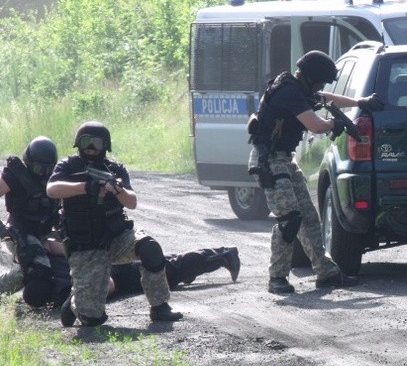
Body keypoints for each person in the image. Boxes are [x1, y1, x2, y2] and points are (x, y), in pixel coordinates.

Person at [248, 50, 384, 294]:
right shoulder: (288, 92)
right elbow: (316, 125)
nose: (320, 86)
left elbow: (324, 98)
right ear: (310, 77)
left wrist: (359, 102)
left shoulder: (299, 88)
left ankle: (326, 272)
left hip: (284, 160)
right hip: (268, 160)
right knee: (289, 219)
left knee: (309, 217)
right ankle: (277, 277)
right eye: (320, 80)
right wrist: (335, 123)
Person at [47, 121, 183, 326]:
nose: (91, 149)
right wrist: (87, 187)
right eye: (86, 142)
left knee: (150, 248)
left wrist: (117, 190)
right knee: (92, 318)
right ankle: (74, 302)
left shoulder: (115, 169)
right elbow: (52, 189)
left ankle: (160, 307)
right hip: (85, 247)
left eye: (97, 144)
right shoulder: (68, 166)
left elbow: (132, 202)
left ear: (106, 146)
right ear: (78, 144)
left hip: (116, 239)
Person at [18, 247, 240, 309]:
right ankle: (220, 255)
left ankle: (224, 256)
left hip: (119, 273)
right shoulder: (42, 262)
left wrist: (77, 299)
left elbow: (109, 285)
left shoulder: (60, 284)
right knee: (170, 263)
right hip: (108, 265)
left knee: (171, 269)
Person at [0, 136, 63, 306]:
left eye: (49, 169)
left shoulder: (55, 177)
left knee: (80, 253)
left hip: (45, 235)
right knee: (39, 278)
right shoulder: (16, 175)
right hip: (20, 235)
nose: (44, 173)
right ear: (29, 163)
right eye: (39, 168)